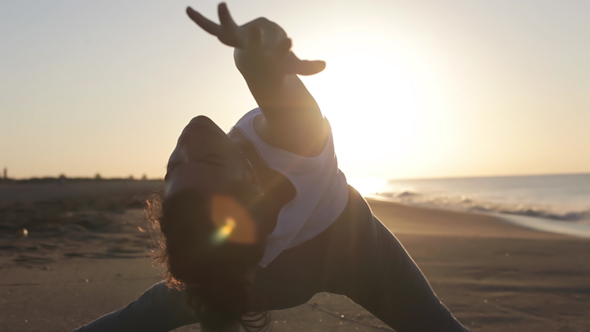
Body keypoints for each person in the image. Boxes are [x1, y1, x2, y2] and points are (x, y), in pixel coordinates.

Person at [74, 3, 472, 332]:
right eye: (210, 158)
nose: (188, 141)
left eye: (174, 164)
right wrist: (257, 49)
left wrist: (256, 47)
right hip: (353, 245)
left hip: (264, 276)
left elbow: (260, 70)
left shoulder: (213, 255)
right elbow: (265, 76)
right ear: (249, 178)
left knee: (156, 309)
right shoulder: (297, 144)